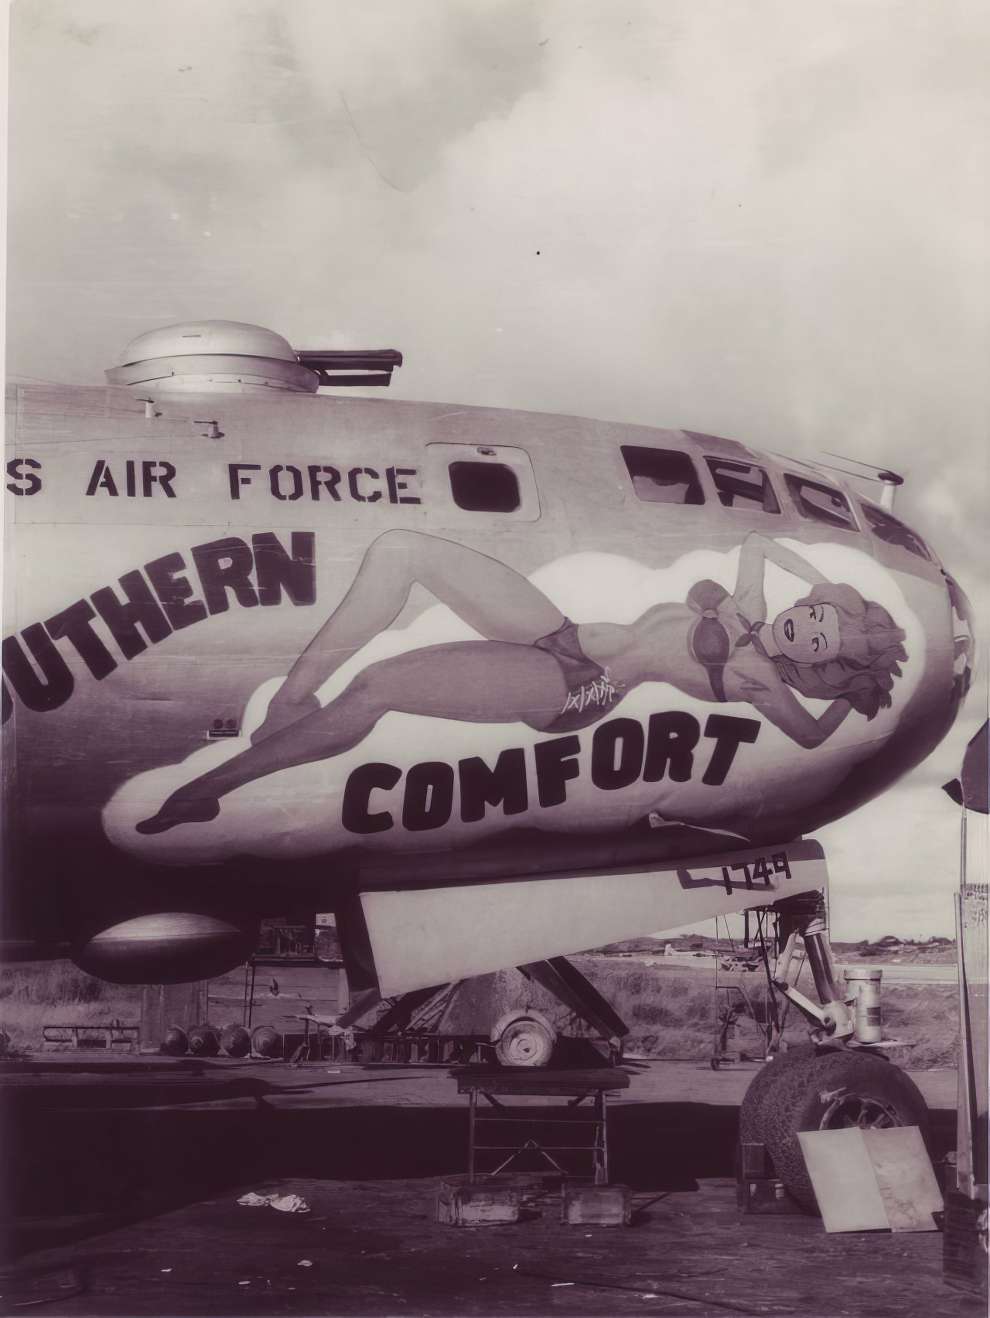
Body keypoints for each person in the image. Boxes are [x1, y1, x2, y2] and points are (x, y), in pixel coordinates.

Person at [137, 528, 907, 834]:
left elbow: (807, 734)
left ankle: (209, 787)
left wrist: (848, 697)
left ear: (811, 666)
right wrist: (827, 577)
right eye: (814, 614)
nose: (803, 626)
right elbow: (757, 540)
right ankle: (294, 700)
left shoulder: (756, 678)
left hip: (572, 692)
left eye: (817, 640)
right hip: (563, 636)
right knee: (403, 548)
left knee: (379, 687)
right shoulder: (749, 610)